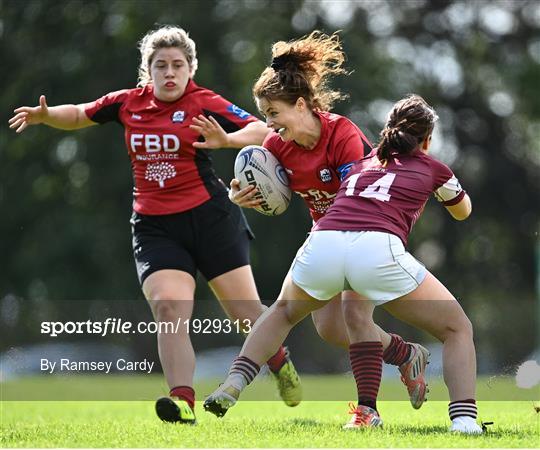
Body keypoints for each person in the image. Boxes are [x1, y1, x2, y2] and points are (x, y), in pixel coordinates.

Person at [8, 25, 302, 424]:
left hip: (212, 220)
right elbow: (80, 114)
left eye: (177, 65)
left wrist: (226, 141)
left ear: (189, 70)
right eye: (160, 65)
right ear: (148, 70)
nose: (169, 72)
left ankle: (278, 359)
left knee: (247, 313)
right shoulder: (128, 103)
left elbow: (259, 128)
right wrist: (46, 115)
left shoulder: (203, 102)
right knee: (169, 309)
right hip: (155, 226)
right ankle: (183, 401)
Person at [205, 94, 483, 434]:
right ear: (426, 140)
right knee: (457, 328)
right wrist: (440, 185)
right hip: (375, 249)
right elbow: (462, 211)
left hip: (323, 241)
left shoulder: (364, 163)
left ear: (387, 131)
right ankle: (465, 421)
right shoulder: (432, 166)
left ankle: (235, 381)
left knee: (283, 312)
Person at [225, 31, 430, 410]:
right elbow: (271, 192)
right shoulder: (275, 146)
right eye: (265, 116)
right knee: (331, 329)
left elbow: (356, 199)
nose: (269, 124)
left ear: (301, 105)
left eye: (273, 113)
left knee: (354, 316)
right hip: (327, 239)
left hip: (369, 231)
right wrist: (244, 197)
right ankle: (405, 354)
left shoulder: (342, 133)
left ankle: (366, 412)